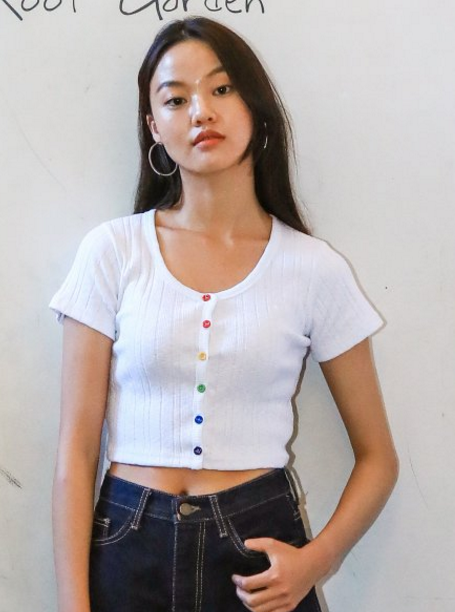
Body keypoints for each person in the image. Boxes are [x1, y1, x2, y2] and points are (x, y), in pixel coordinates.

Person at [49, 16, 399, 612]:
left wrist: (316, 562)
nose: (201, 112)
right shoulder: (112, 251)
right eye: (175, 99)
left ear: (255, 106)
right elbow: (75, 454)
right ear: (153, 126)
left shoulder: (314, 269)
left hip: (259, 553)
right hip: (127, 544)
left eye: (221, 88)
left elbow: (378, 458)